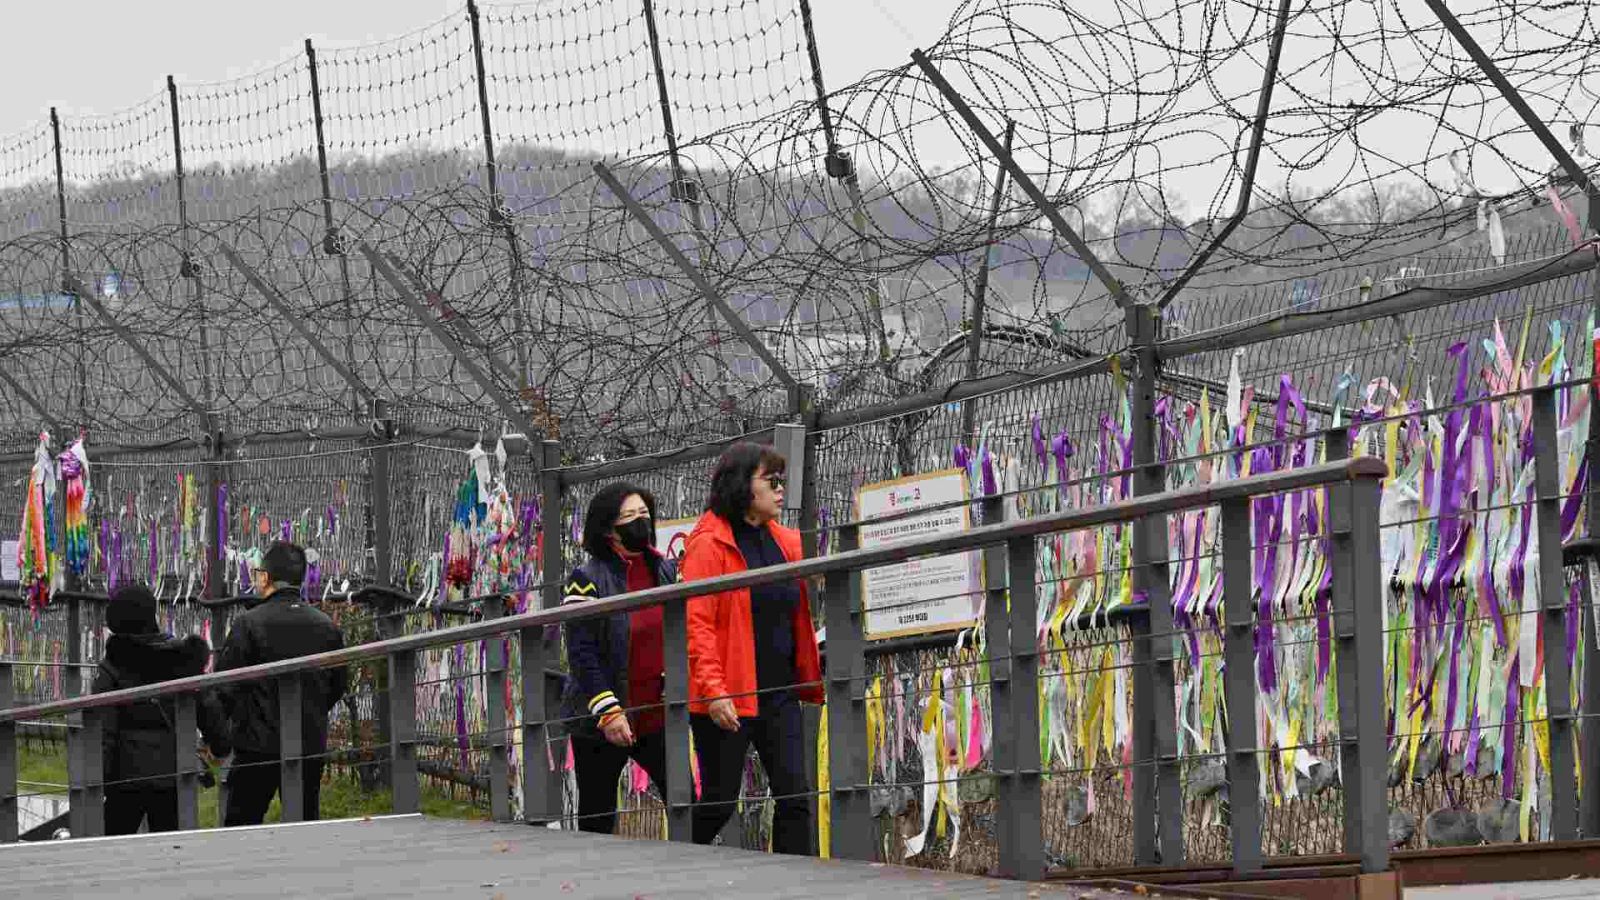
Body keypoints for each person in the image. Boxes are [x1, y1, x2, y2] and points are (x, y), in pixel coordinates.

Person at [682, 442, 822, 854]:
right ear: (744, 487)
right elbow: (698, 622)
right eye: (772, 481)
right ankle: (676, 862)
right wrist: (713, 690)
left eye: (782, 481)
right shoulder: (709, 544)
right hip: (730, 694)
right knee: (719, 801)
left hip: (779, 691)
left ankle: (792, 886)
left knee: (795, 797)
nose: (781, 490)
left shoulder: (785, 541)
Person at [560, 482, 678, 834]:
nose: (640, 521)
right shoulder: (585, 580)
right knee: (597, 816)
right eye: (629, 516)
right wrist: (608, 712)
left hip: (656, 713)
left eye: (644, 514)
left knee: (688, 801)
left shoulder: (667, 571)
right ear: (609, 527)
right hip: (602, 718)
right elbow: (582, 653)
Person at [216, 541, 347, 826]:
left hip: (256, 745)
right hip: (308, 740)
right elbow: (338, 684)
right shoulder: (326, 626)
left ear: (265, 577)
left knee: (242, 823)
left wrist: (228, 728)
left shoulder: (248, 624)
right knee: (305, 819)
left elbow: (225, 685)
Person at [95, 583, 231, 835]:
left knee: (112, 847)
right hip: (174, 773)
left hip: (125, 778)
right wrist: (221, 744)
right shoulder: (182, 658)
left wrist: (99, 779)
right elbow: (209, 708)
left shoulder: (112, 666)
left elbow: (103, 731)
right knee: (172, 848)